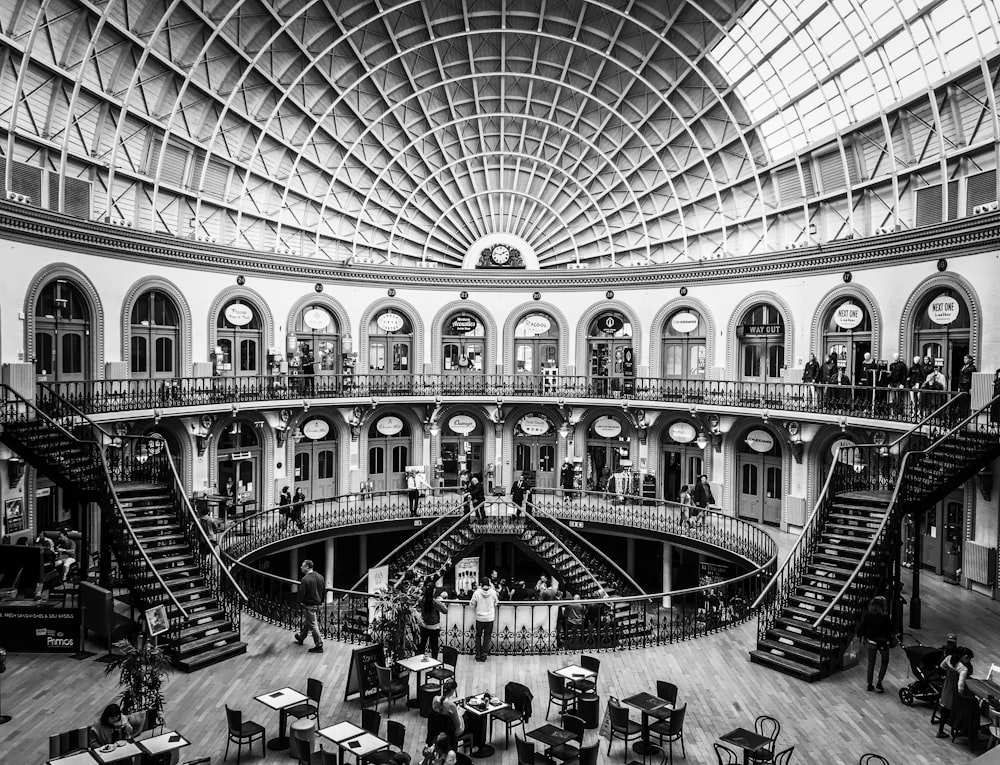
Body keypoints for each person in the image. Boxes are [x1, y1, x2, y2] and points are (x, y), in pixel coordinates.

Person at [857, 595, 894, 693]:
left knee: (871, 663)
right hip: (882, 641)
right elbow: (890, 631)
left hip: (871, 641)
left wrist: (863, 637)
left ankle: (869, 684)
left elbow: (863, 628)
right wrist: (890, 640)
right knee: (885, 661)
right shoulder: (885, 617)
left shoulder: (868, 615)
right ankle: (879, 682)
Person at [936, 646, 974, 738]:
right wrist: (961, 696)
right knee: (966, 708)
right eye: (969, 659)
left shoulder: (949, 658)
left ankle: (940, 731)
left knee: (945, 710)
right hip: (954, 691)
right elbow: (960, 685)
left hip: (946, 687)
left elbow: (942, 666)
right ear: (965, 656)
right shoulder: (963, 669)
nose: (969, 661)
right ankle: (960, 729)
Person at [293, 559, 324, 652]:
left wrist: (299, 602)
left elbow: (301, 593)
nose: (301, 567)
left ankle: (319, 645)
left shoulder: (305, 579)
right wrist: (321, 600)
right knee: (309, 621)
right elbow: (323, 590)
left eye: (302, 566)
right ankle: (301, 637)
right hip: (317, 603)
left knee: (313, 624)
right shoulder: (320, 577)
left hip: (310, 604)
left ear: (306, 567)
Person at [469, 578, 498, 662]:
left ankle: (478, 654)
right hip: (489, 618)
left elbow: (472, 604)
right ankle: (484, 655)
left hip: (479, 618)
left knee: (478, 636)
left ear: (481, 584)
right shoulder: (493, 592)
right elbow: (496, 603)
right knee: (487, 636)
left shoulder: (477, 593)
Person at [417, 580, 447, 659]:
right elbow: (445, 611)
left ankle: (420, 664)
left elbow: (417, 607)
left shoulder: (421, 600)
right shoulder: (435, 602)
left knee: (422, 646)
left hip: (424, 626)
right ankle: (434, 664)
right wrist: (441, 602)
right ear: (433, 590)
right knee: (434, 647)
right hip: (434, 627)